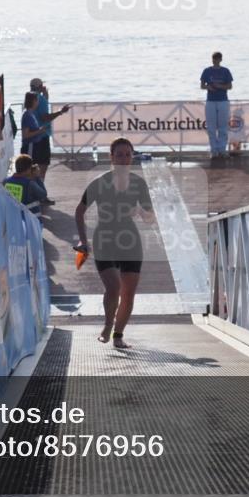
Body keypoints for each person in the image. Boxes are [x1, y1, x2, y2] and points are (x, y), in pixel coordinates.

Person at [74, 137, 155, 350]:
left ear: (132, 157)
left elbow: (151, 217)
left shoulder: (138, 183)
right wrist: (83, 239)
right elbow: (79, 211)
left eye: (128, 155)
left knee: (128, 293)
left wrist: (139, 211)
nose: (124, 159)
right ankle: (108, 325)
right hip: (105, 239)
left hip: (130, 241)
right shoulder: (101, 182)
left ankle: (119, 335)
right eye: (119, 154)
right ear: (111, 157)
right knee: (114, 286)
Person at [20, 91, 69, 204]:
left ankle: (40, 195)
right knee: (29, 171)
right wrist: (39, 131)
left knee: (35, 171)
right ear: (33, 101)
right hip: (30, 146)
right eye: (37, 100)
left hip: (34, 145)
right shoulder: (27, 115)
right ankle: (32, 197)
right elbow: (25, 134)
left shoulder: (31, 113)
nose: (38, 102)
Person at [200, 52, 233, 158]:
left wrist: (220, 86)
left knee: (223, 126)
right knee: (211, 127)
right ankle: (213, 150)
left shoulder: (225, 71)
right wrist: (208, 87)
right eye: (213, 59)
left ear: (220, 59)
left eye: (217, 59)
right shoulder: (207, 71)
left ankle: (222, 149)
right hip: (210, 101)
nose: (215, 60)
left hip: (223, 100)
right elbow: (202, 85)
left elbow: (230, 86)